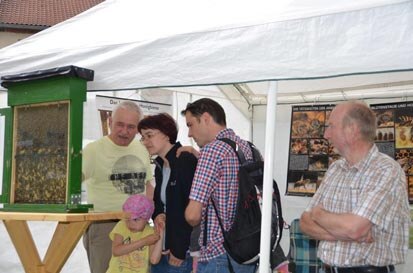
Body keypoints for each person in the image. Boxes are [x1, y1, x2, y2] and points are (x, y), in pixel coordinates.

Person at [300, 100, 410, 273]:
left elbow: (355, 228)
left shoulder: (386, 170)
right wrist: (345, 233)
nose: (326, 135)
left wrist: (319, 214)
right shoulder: (336, 168)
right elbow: (305, 222)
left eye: (331, 126)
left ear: (351, 129)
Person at [182, 98, 256, 273]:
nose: (189, 134)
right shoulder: (247, 148)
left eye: (190, 125)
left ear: (206, 118)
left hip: (218, 255)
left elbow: (193, 215)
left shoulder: (212, 151)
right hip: (246, 250)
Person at [82, 101, 154, 273]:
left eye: (131, 127)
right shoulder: (93, 150)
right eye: (119, 124)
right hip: (104, 228)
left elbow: (148, 184)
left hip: (139, 227)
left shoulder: (142, 149)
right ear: (109, 121)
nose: (124, 131)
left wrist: (147, 216)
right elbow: (70, 183)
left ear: (138, 128)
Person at [138, 113, 199, 273]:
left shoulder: (185, 160)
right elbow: (158, 203)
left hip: (180, 252)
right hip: (162, 247)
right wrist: (157, 214)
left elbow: (192, 209)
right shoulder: (160, 165)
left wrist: (179, 249)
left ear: (166, 134)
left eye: (149, 135)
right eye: (143, 137)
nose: (145, 142)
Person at [107, 194, 163, 273]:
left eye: (136, 219)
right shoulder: (121, 225)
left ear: (146, 218)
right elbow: (116, 251)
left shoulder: (150, 232)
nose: (130, 224)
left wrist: (161, 232)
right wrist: (144, 241)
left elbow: (154, 260)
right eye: (127, 219)